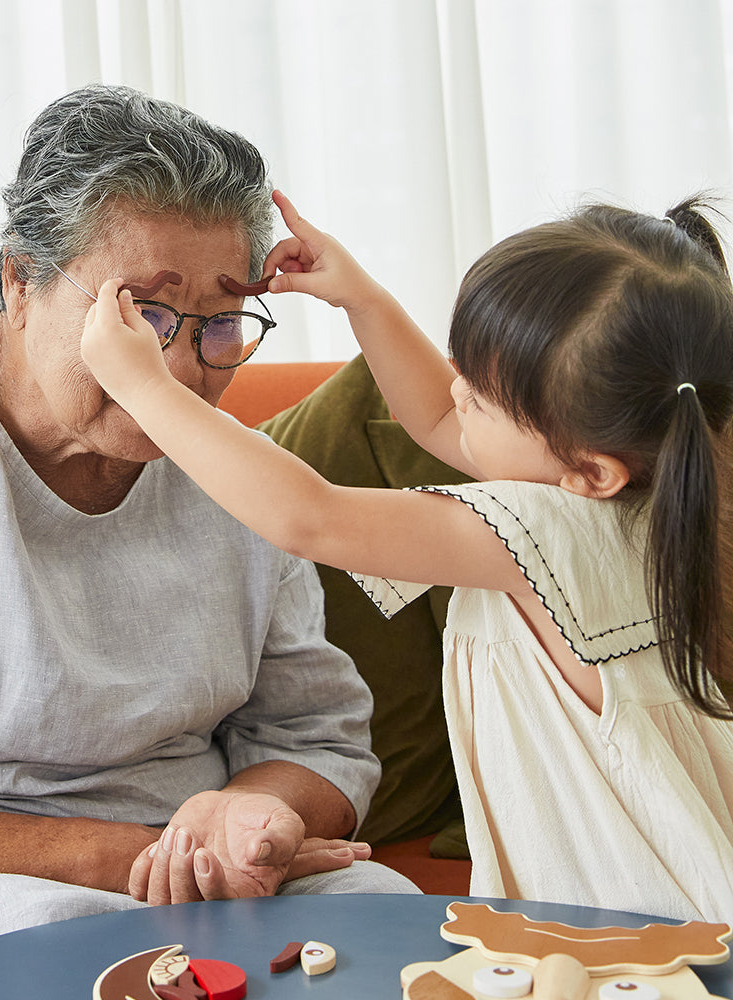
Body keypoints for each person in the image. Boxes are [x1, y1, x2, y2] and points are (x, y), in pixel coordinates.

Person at [0, 88, 417, 999]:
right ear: (21, 280)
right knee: (56, 949)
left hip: (188, 876)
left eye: (219, 324)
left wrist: (257, 814)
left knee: (385, 915)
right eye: (139, 318)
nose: (179, 371)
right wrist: (127, 858)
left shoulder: (236, 472)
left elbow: (318, 737)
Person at [81, 188, 733, 922]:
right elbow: (431, 415)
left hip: (639, 924)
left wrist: (141, 385)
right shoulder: (656, 502)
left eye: (481, 398)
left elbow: (309, 518)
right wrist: (361, 298)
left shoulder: (536, 528)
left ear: (591, 469)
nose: (455, 391)